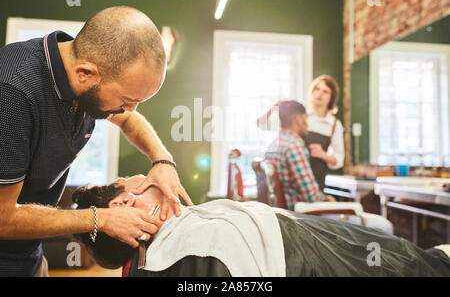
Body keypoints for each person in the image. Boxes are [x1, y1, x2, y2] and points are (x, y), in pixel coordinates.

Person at [0, 6, 193, 276]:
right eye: (127, 100)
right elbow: (2, 217)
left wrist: (162, 161)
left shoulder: (78, 72)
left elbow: (127, 120)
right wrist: (101, 219)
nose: (130, 110)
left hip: (29, 255)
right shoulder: (12, 94)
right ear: (85, 74)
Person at [72, 175, 450, 277]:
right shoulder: (179, 257)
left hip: (295, 232)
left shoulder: (171, 232)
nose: (146, 174)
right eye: (127, 177)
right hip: (303, 255)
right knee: (423, 266)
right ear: (123, 203)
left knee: (416, 258)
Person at [257, 75, 344, 191]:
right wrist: (273, 108)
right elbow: (261, 124)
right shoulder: (297, 115)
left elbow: (339, 160)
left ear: (331, 98)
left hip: (316, 183)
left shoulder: (334, 125)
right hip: (292, 183)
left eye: (325, 91)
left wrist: (324, 155)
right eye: (317, 89)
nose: (319, 94)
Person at [265, 101, 335, 210]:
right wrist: (327, 199)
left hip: (280, 216)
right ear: (298, 120)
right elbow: (312, 197)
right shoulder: (294, 147)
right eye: (306, 119)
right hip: (299, 218)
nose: (307, 124)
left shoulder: (272, 145)